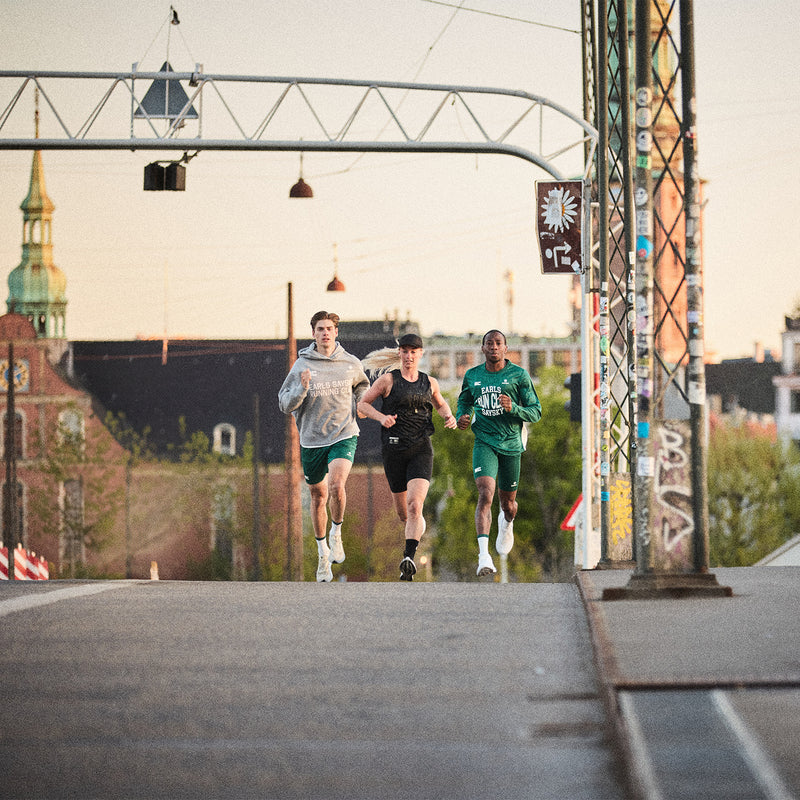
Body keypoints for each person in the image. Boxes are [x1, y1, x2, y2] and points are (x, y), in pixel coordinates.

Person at [278, 311, 369, 582]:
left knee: (337, 486)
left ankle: (336, 532)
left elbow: (363, 386)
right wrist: (302, 388)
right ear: (314, 333)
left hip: (344, 433)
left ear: (336, 332)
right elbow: (285, 404)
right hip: (311, 439)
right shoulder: (302, 365)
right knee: (318, 497)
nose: (325, 333)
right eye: (320, 329)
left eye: (329, 328)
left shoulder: (350, 363)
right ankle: (322, 556)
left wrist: (362, 403)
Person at [358, 333, 457, 581]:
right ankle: (415, 529)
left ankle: (408, 557)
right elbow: (362, 405)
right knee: (405, 514)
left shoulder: (430, 382)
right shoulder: (387, 381)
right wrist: (382, 418)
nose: (409, 356)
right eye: (405, 351)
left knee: (415, 505)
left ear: (420, 354)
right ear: (400, 353)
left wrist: (448, 416)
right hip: (393, 451)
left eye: (414, 351)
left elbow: (441, 404)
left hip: (421, 449)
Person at [456, 330, 542, 576]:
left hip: (511, 445)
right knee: (485, 493)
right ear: (482, 348)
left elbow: (536, 411)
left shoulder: (518, 376)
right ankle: (484, 557)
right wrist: (463, 416)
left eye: (498, 343)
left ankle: (507, 523)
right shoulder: (473, 376)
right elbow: (465, 402)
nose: (493, 347)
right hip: (484, 441)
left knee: (508, 504)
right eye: (489, 343)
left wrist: (513, 407)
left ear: (506, 348)